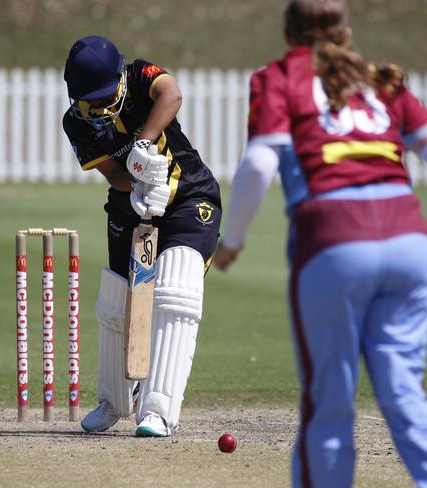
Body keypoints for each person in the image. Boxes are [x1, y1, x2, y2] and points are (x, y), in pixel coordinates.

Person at [213, 0, 427, 485]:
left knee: (329, 399)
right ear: (346, 32)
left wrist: (233, 241)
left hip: (334, 240)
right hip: (411, 242)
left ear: (288, 34)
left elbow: (261, 164)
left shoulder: (278, 77)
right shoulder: (380, 79)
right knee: (403, 390)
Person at [62, 35, 222, 437]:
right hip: (130, 205)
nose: (96, 109)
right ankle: (115, 400)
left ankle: (158, 408)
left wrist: (144, 143)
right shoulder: (75, 122)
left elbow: (171, 93)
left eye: (102, 98)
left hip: (189, 198)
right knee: (119, 302)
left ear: (119, 77)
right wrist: (134, 185)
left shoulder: (138, 76)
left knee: (174, 291)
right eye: (88, 103)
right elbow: (112, 174)